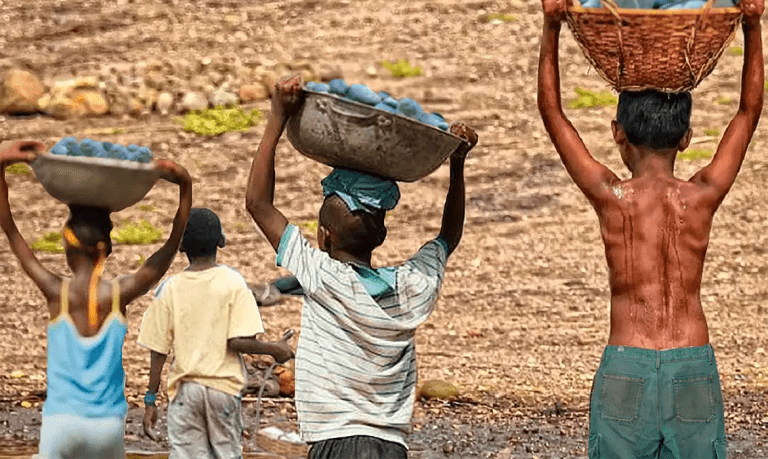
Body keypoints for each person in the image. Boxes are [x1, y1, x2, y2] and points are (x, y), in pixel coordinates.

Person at [537, 0, 763, 457]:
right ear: (686, 138)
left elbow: (554, 114)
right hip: (690, 363)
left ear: (618, 133)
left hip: (628, 364)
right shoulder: (701, 196)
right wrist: (754, 28)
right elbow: (747, 113)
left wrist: (551, 27)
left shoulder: (611, 197)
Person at [245, 74, 478, 459]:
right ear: (381, 235)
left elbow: (258, 204)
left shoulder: (322, 276)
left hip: (336, 441)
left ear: (324, 237)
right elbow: (448, 237)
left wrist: (277, 117)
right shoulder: (411, 287)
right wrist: (457, 163)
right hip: (391, 446)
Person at [0, 140, 192, 459]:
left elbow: (10, 230)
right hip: (107, 427)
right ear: (107, 247)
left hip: (61, 425)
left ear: (66, 244)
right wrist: (185, 185)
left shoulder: (55, 292)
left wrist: (0, 166)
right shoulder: (119, 294)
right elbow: (171, 246)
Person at [138, 207, 294, 459]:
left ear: (180, 247)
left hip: (186, 392)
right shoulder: (233, 282)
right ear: (221, 241)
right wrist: (275, 349)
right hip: (223, 391)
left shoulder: (169, 289)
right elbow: (239, 341)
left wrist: (150, 399)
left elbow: (158, 351)